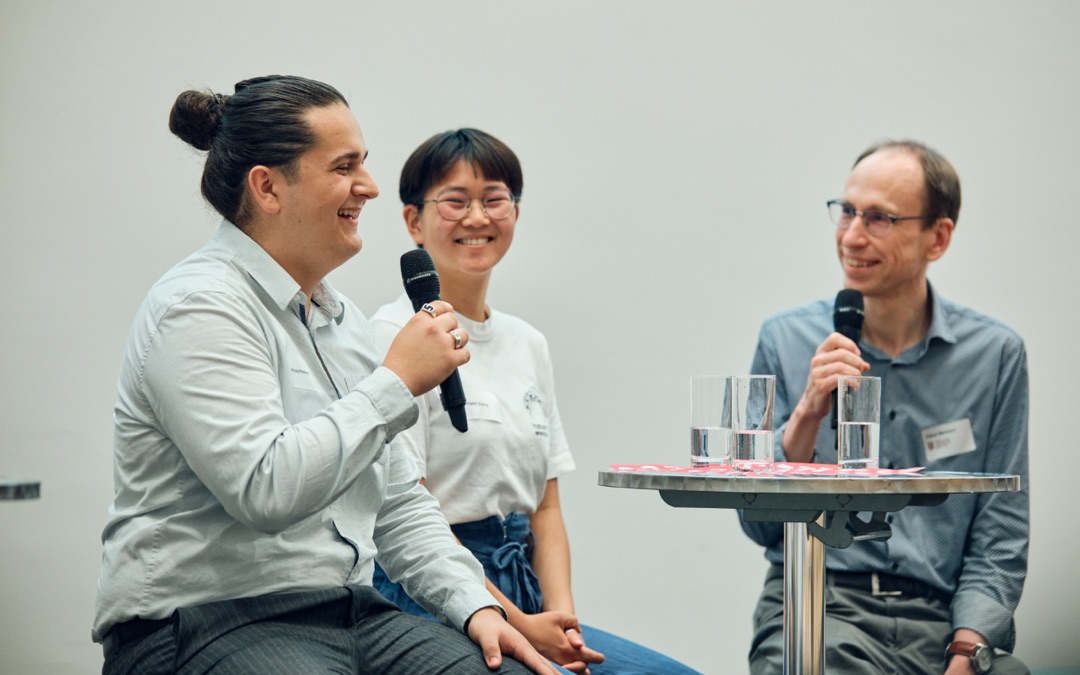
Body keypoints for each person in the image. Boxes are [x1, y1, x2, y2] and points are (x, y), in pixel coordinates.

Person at [93, 75, 559, 675]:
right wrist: (395, 383)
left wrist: (476, 608)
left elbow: (396, 504)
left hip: (351, 614)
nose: (367, 187)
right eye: (344, 167)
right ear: (267, 187)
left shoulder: (343, 321)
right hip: (204, 622)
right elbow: (265, 488)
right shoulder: (199, 305)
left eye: (363, 164)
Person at [367, 128, 700, 675]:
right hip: (429, 590)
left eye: (494, 199)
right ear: (413, 221)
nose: (477, 217)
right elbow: (411, 514)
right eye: (455, 200)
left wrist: (562, 621)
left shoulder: (527, 343)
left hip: (525, 585)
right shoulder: (393, 335)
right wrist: (519, 624)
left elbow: (545, 509)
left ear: (515, 213)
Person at [740, 140, 1029, 674]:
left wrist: (967, 650)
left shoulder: (994, 356)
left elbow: (1001, 530)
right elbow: (758, 527)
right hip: (817, 605)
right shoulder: (785, 338)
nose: (851, 237)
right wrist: (807, 413)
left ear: (937, 237)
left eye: (879, 219)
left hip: (941, 623)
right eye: (846, 212)